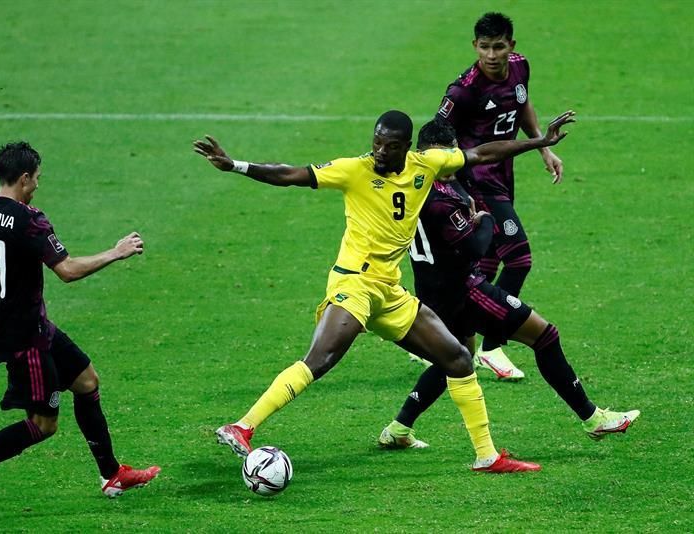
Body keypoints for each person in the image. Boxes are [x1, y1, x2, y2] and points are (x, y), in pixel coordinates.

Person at [193, 109, 575, 473]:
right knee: (321, 359)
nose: (379, 151)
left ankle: (486, 457)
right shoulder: (354, 170)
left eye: (389, 145)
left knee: (458, 358)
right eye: (376, 142)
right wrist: (236, 165)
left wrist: (539, 141)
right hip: (354, 284)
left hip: (389, 292)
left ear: (406, 146)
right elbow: (291, 174)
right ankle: (243, 426)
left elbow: (483, 152)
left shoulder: (426, 165)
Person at [379, 119, 640, 450]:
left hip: (434, 293)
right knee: (545, 336)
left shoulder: (410, 186)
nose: (447, 164)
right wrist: (484, 219)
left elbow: (482, 159)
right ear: (423, 154)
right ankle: (593, 418)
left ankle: (399, 428)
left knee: (457, 356)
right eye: (441, 157)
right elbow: (476, 245)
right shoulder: (438, 199)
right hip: (465, 289)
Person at [0, 141, 160, 516]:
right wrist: (116, 252)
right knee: (43, 425)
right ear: (23, 178)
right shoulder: (29, 220)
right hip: (24, 338)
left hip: (31, 325)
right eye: (36, 178)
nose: (38, 185)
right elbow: (67, 271)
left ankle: (111, 475)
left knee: (87, 381)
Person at [436, 12, 563, 379]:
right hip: (475, 180)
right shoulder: (463, 90)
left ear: (512, 46)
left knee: (485, 265)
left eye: (499, 47)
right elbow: (437, 140)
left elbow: (521, 103)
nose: (492, 54)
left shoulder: (520, 68)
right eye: (485, 47)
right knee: (519, 258)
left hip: (503, 177)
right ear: (474, 46)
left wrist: (543, 147)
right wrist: (453, 189)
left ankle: (451, 339)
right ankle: (492, 346)